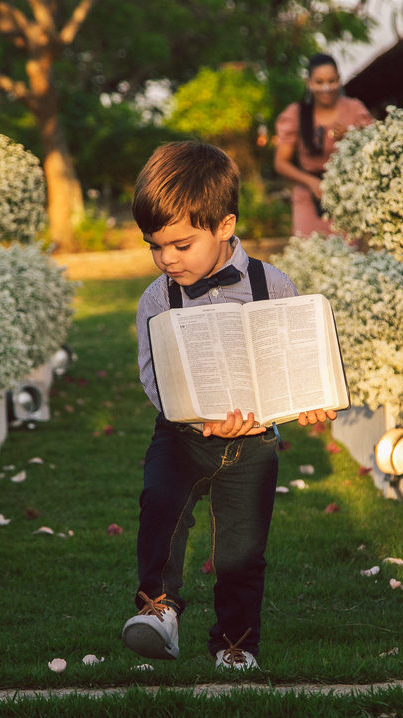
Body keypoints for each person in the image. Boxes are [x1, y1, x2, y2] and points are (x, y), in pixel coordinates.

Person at [125, 141, 335, 670]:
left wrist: (310, 399)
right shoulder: (156, 298)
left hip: (254, 442)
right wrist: (198, 418)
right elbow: (153, 376)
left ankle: (235, 644)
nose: (166, 258)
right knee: (161, 508)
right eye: (155, 246)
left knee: (242, 548)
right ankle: (160, 609)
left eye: (180, 244)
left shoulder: (274, 285)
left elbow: (297, 356)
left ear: (224, 225)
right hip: (182, 434)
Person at [274, 54, 373, 237]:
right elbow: (281, 163)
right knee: (309, 253)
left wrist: (351, 135)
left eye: (331, 81)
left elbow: (375, 146)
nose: (326, 88)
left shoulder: (354, 109)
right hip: (308, 195)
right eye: (319, 82)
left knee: (347, 255)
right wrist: (311, 182)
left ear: (339, 80)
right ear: (308, 83)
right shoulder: (296, 113)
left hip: (346, 195)